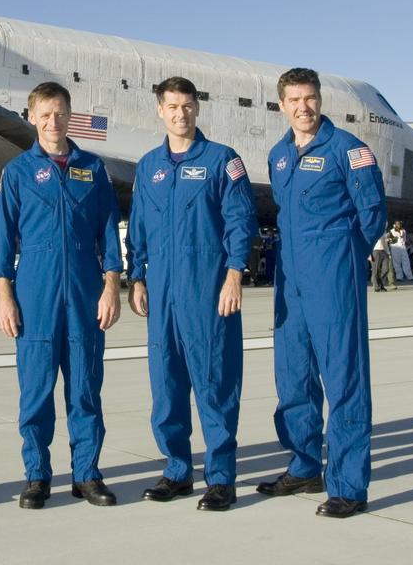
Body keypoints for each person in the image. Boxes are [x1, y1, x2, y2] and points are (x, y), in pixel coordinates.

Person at [258, 67, 386, 519]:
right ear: (282, 105)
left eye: (310, 98)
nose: (303, 107)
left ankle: (349, 486)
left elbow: (372, 213)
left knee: (344, 380)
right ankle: (305, 464)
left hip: (333, 277)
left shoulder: (349, 150)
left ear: (319, 100)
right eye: (294, 100)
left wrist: (345, 257)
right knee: (292, 377)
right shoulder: (278, 155)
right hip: (290, 280)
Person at [126, 76, 258, 511]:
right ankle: (178, 469)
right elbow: (139, 227)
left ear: (197, 109)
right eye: (172, 106)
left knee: (215, 380)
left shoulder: (223, 161)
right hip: (161, 289)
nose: (180, 113)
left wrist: (235, 275)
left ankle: (221, 477)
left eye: (187, 106)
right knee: (166, 382)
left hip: (208, 288)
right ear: (160, 111)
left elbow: (241, 222)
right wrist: (138, 277)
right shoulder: (148, 166)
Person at [0, 82, 123, 510]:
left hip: (86, 293)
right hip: (35, 295)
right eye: (44, 114)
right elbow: (2, 241)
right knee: (35, 392)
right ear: (31, 117)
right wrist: (3, 295)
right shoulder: (16, 172)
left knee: (85, 390)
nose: (53, 122)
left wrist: (111, 287)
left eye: (60, 113)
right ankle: (37, 476)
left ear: (71, 115)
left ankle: (86, 474)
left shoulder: (93, 168)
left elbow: (109, 232)